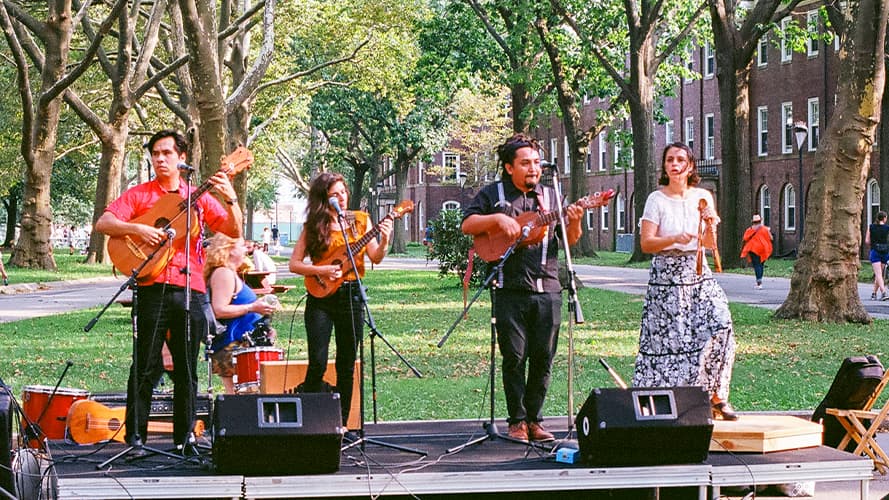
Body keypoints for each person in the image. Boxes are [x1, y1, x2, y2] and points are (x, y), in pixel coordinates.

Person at [95, 129, 243, 449]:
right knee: (146, 365)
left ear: (182, 158)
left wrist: (229, 195)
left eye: (167, 153)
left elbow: (233, 229)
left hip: (191, 289)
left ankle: (184, 439)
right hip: (151, 288)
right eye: (156, 154)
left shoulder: (200, 199)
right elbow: (104, 223)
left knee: (186, 369)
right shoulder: (140, 195)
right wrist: (138, 228)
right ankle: (135, 438)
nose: (160, 159)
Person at [460, 133, 583, 443]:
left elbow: (569, 239)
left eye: (536, 163)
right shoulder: (494, 194)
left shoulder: (551, 196)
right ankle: (516, 421)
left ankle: (534, 419)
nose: (533, 169)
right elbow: (467, 225)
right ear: (508, 167)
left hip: (548, 286)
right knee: (515, 356)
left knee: (543, 357)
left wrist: (576, 220)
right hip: (509, 288)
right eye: (525, 163)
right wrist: (498, 220)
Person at [632, 142, 737, 421]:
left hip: (697, 271)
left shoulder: (702, 196)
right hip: (666, 274)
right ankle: (665, 401)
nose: (675, 164)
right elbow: (646, 243)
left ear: (690, 166)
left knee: (721, 323)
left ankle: (717, 395)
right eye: (669, 160)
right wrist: (673, 238)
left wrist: (710, 223)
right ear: (665, 166)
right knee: (669, 340)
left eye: (680, 159)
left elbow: (709, 244)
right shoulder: (656, 199)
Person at [288, 172, 392, 429]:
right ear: (324, 198)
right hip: (320, 298)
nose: (341, 198)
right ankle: (311, 423)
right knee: (318, 362)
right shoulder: (313, 226)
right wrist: (321, 271)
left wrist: (386, 238)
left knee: (347, 363)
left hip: (351, 295)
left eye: (343, 192)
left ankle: (341, 425)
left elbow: (375, 257)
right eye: (335, 194)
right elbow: (294, 264)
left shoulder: (360, 222)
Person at [204, 234, 278, 393]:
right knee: (243, 396)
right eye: (242, 246)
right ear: (229, 249)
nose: (246, 249)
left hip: (244, 346)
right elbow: (218, 309)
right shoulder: (223, 273)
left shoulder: (230, 273)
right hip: (234, 347)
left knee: (243, 396)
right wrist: (252, 307)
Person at [740, 214, 773, 290]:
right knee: (761, 264)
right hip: (763, 249)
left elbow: (745, 238)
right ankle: (760, 280)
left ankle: (759, 282)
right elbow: (771, 238)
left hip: (753, 248)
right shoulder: (765, 229)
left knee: (756, 265)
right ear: (760, 221)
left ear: (753, 222)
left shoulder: (749, 230)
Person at [865, 211, 889, 300]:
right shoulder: (887, 228)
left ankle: (878, 293)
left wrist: (874, 243)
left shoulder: (871, 227)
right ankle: (880, 293)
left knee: (878, 274)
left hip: (875, 251)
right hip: (885, 252)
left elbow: (867, 241)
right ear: (884, 218)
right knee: (879, 274)